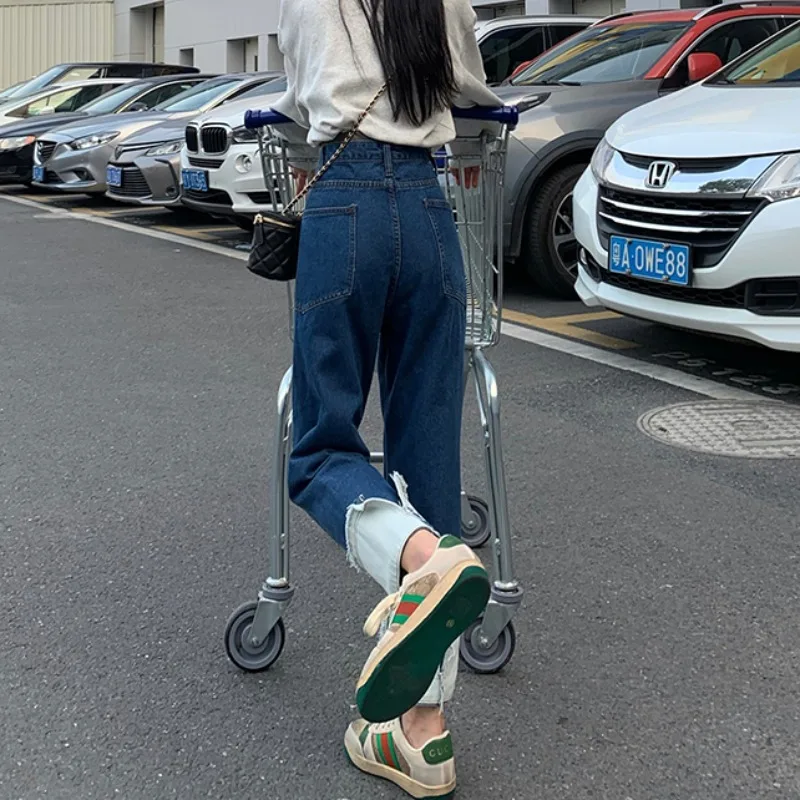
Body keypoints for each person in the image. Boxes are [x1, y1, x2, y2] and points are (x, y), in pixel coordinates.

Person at [272, 0, 501, 796]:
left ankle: (425, 560)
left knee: (318, 451)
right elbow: (471, 85)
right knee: (428, 460)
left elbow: (301, 94)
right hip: (431, 212)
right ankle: (423, 733)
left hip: (347, 203)